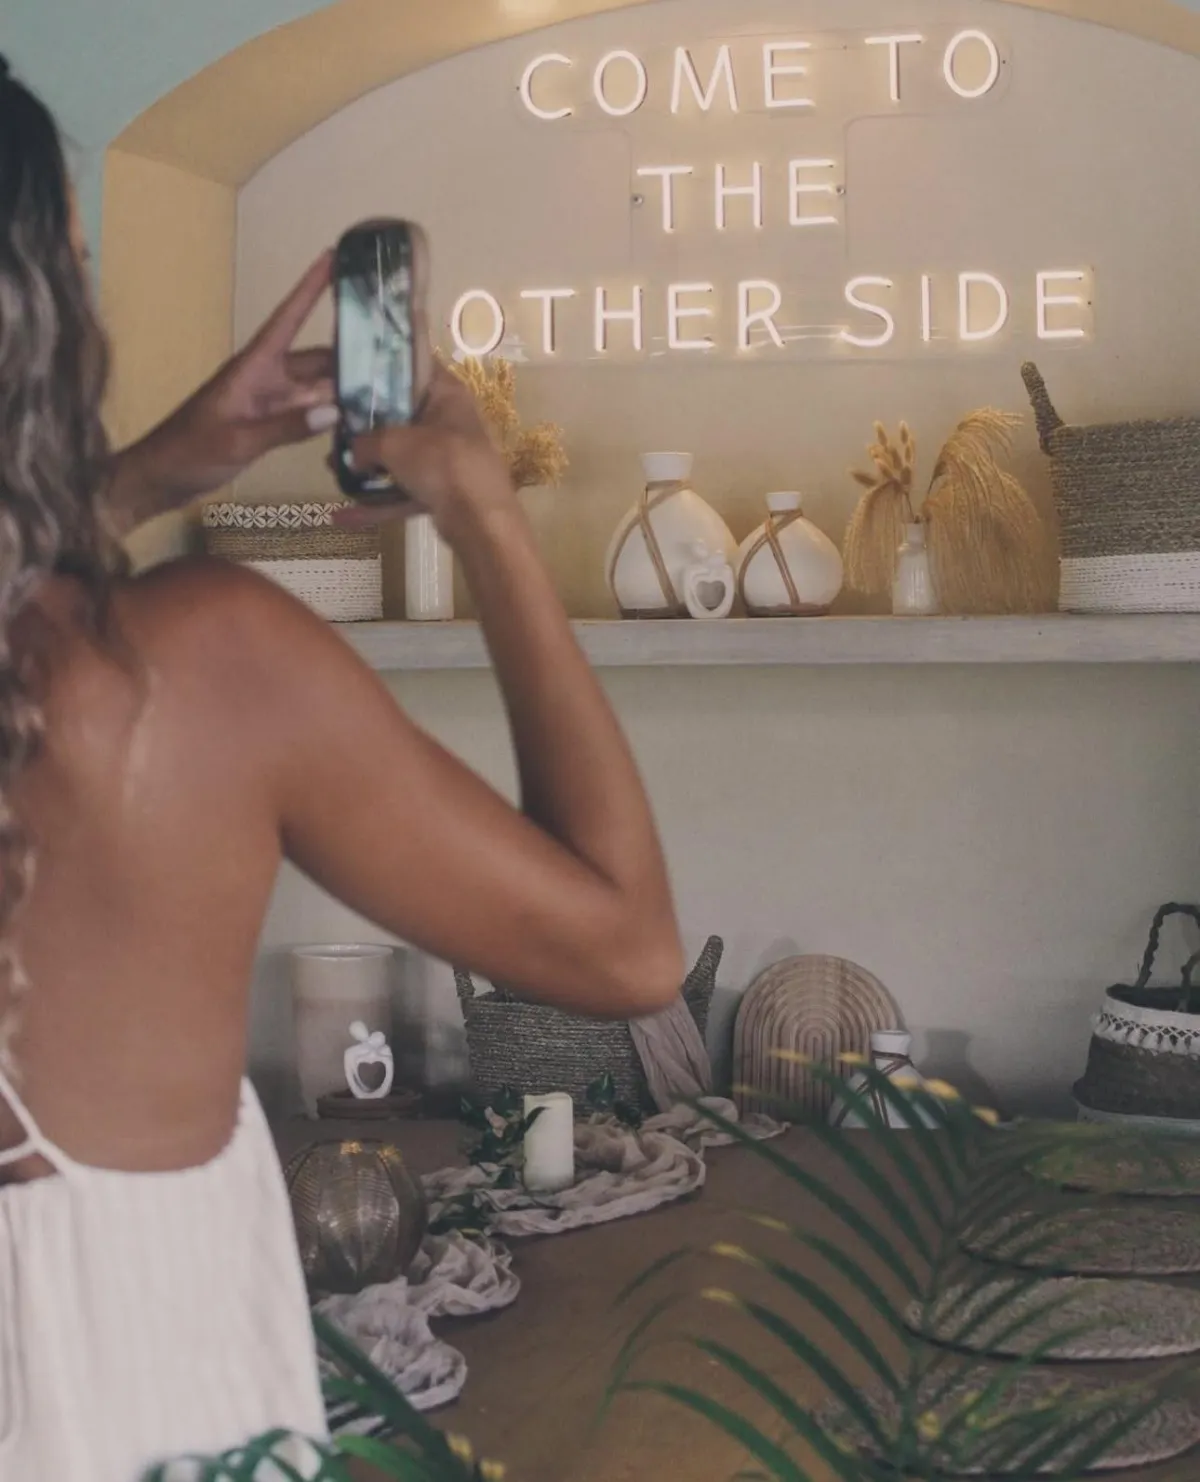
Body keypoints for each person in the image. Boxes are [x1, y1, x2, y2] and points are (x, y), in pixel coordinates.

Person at [0, 61, 683, 1482]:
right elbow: (626, 948)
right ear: (41, 315)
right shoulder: (201, 664)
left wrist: (145, 477)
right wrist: (486, 512)